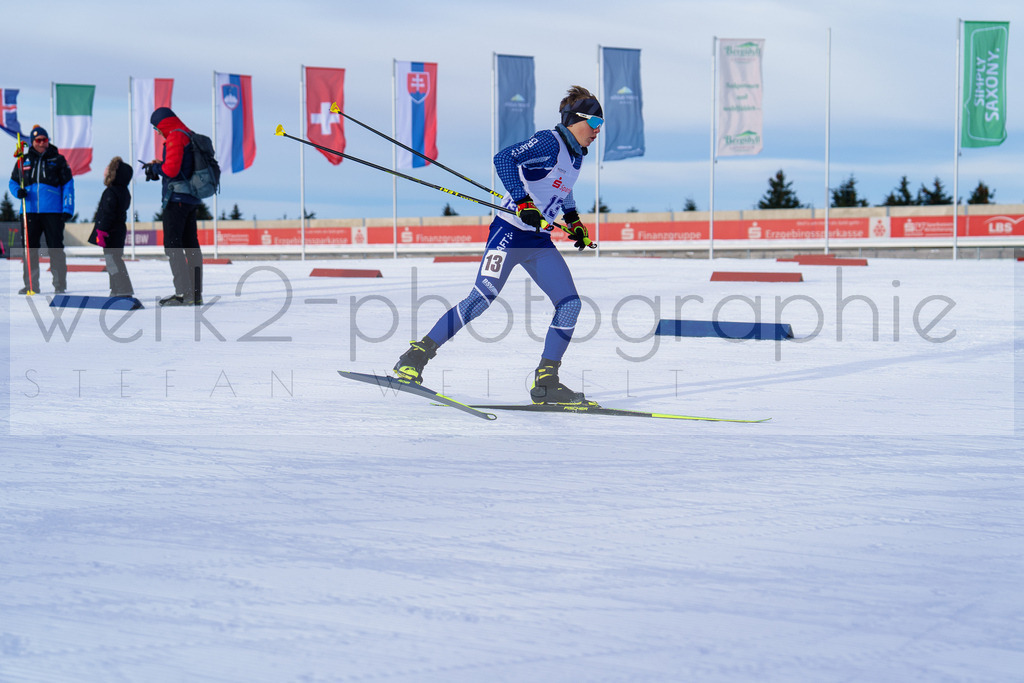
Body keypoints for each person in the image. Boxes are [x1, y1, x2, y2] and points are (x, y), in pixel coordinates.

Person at [394, 85, 601, 405]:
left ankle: (546, 381)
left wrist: (574, 221)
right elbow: (504, 158)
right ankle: (415, 357)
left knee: (570, 304)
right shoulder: (550, 140)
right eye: (595, 123)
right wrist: (522, 202)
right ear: (575, 119)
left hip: (537, 241)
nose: (598, 131)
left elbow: (564, 190)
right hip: (508, 232)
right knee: (481, 298)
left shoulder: (575, 157)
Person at [145, 107, 203, 306]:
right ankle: (195, 294)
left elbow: (171, 169)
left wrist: (155, 168)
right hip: (191, 198)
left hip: (176, 199)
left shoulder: (175, 137)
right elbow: (180, 166)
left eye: (156, 127)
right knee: (191, 245)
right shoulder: (189, 134)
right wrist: (161, 164)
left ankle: (183, 294)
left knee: (173, 245)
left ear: (163, 123)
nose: (157, 132)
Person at [8, 125, 74, 294]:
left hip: (53, 212)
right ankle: (31, 285)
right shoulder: (23, 160)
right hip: (29, 211)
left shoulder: (58, 160)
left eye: (45, 140)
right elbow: (13, 182)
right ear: (33, 142)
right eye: (38, 140)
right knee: (30, 249)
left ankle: (60, 285)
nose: (42, 143)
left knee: (55, 249)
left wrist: (67, 207)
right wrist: (18, 192)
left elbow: (68, 185)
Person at [88, 157, 135, 297]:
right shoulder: (124, 191)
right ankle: (116, 289)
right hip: (117, 230)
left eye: (108, 168)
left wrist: (101, 231)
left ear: (114, 173)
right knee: (114, 260)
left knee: (113, 261)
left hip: (110, 231)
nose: (105, 170)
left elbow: (107, 213)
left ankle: (122, 289)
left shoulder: (111, 192)